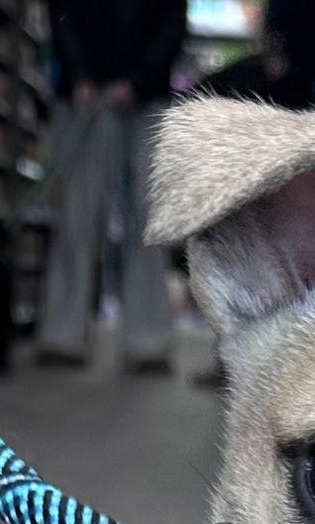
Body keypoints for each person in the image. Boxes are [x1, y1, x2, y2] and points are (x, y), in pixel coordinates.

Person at [37, 0, 186, 372]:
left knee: (148, 224)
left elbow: (172, 21)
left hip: (146, 99)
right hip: (82, 97)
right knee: (75, 218)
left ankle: (148, 344)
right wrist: (78, 74)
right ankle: (62, 335)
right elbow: (60, 12)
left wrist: (138, 81)